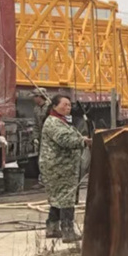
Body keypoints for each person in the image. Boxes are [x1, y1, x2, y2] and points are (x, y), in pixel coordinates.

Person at [39, 94, 89, 243]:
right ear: (54, 106)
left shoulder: (61, 121)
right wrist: (84, 142)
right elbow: (65, 140)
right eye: (64, 105)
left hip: (62, 166)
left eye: (69, 105)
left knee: (58, 198)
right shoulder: (54, 123)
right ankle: (68, 232)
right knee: (66, 198)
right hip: (59, 167)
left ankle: (52, 228)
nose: (68, 108)